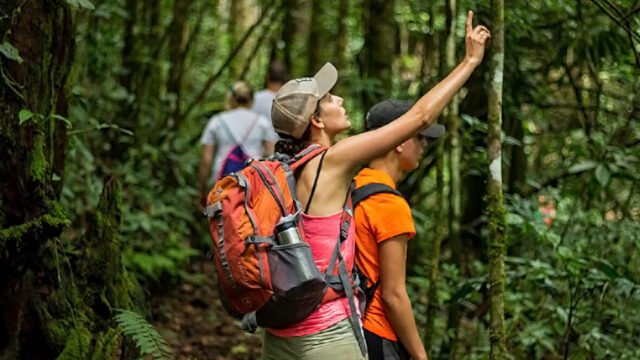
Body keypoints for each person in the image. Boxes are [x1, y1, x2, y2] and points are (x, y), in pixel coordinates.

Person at [262, 11, 490, 360]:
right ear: (317, 121)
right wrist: (469, 62)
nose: (339, 99)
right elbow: (419, 118)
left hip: (280, 335)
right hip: (325, 336)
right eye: (329, 99)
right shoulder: (333, 162)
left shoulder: (287, 167)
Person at [353, 100, 444, 360]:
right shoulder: (389, 203)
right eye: (420, 137)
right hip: (377, 331)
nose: (424, 146)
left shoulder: (352, 185)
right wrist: (420, 355)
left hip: (349, 326)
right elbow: (393, 295)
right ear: (400, 141)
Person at [198, 81, 278, 209]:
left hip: (222, 182)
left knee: (222, 222)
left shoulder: (217, 121)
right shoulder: (262, 122)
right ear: (252, 100)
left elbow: (206, 161)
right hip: (252, 182)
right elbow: (271, 155)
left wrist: (202, 190)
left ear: (230, 98)